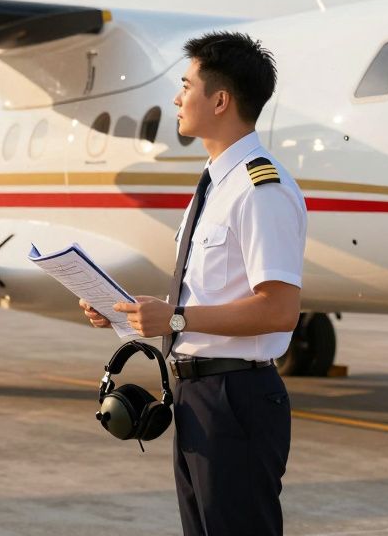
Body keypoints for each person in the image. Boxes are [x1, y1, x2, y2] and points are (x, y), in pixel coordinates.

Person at [80, 31, 307, 536]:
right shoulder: (215, 186)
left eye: (186, 86)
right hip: (198, 396)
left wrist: (177, 318)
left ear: (221, 100)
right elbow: (209, 297)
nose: (177, 98)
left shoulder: (258, 188)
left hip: (236, 397)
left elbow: (279, 309)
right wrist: (127, 311)